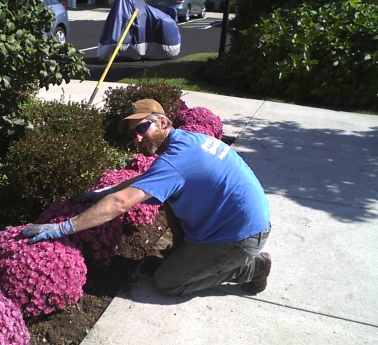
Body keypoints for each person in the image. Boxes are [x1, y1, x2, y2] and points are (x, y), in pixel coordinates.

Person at [22, 99, 272, 296]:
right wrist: (103, 192)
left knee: (167, 282)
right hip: (230, 221)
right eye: (133, 134)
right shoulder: (185, 141)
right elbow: (150, 180)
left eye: (143, 128)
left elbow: (121, 203)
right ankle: (191, 255)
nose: (138, 138)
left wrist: (62, 228)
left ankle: (253, 267)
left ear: (163, 122)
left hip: (241, 237)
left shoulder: (175, 161)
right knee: (166, 197)